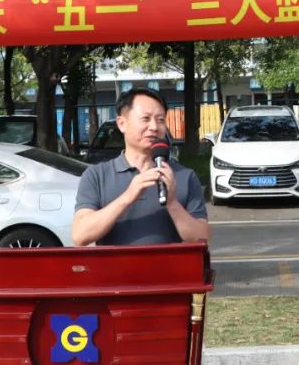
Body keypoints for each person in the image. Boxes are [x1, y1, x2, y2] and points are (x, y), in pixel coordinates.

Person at [72, 87, 211, 246]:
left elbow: (202, 238)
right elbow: (80, 236)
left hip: (170, 270)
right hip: (114, 270)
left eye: (160, 120)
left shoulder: (184, 176)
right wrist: (128, 196)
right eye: (145, 119)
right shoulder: (96, 175)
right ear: (122, 123)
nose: (154, 127)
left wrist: (172, 203)